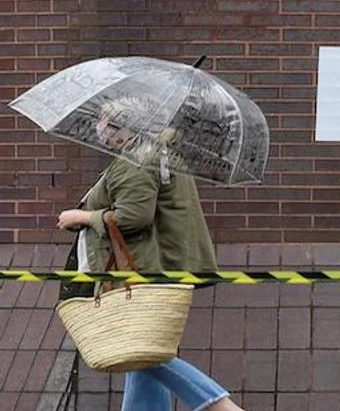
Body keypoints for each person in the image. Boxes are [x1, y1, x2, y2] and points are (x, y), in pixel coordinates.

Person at [56, 96, 245, 411]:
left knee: (143, 350)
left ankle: (219, 405)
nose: (98, 128)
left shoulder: (138, 160)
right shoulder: (153, 154)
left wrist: (84, 217)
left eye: (104, 122)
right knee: (141, 351)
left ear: (124, 128)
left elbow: (133, 217)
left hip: (145, 266)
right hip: (160, 263)